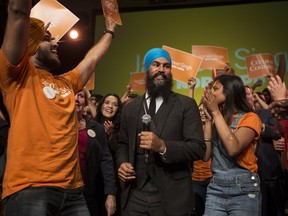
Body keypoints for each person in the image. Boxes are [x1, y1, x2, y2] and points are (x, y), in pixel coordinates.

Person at [0, 0, 116, 215]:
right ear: (29, 43)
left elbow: (91, 59)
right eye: (47, 38)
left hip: (74, 194)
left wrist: (110, 31)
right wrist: (25, 17)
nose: (56, 43)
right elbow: (17, 11)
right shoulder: (16, 75)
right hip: (30, 189)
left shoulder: (66, 82)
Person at [116, 48, 206, 216]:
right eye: (155, 65)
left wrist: (163, 146)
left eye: (166, 66)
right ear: (147, 69)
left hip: (172, 195)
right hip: (135, 193)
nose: (161, 70)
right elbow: (122, 144)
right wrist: (121, 163)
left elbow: (198, 148)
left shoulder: (186, 105)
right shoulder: (130, 108)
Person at [202, 74, 262, 216]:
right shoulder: (218, 119)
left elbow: (233, 148)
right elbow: (205, 156)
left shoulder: (250, 118)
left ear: (228, 91)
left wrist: (216, 113)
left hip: (243, 189)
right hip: (216, 188)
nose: (212, 93)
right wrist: (209, 122)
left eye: (215, 89)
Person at [75, 88, 117, 216]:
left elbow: (106, 161)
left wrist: (111, 194)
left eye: (81, 96)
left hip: (87, 192)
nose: (76, 99)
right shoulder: (55, 124)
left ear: (86, 102)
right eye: (73, 95)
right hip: (58, 190)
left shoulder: (96, 128)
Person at [246, 85, 285, 216]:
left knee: (273, 210)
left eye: (248, 93)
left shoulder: (265, 113)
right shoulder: (234, 118)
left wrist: (261, 128)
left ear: (253, 96)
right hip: (245, 176)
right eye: (242, 93)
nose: (246, 96)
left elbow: (278, 132)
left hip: (269, 172)